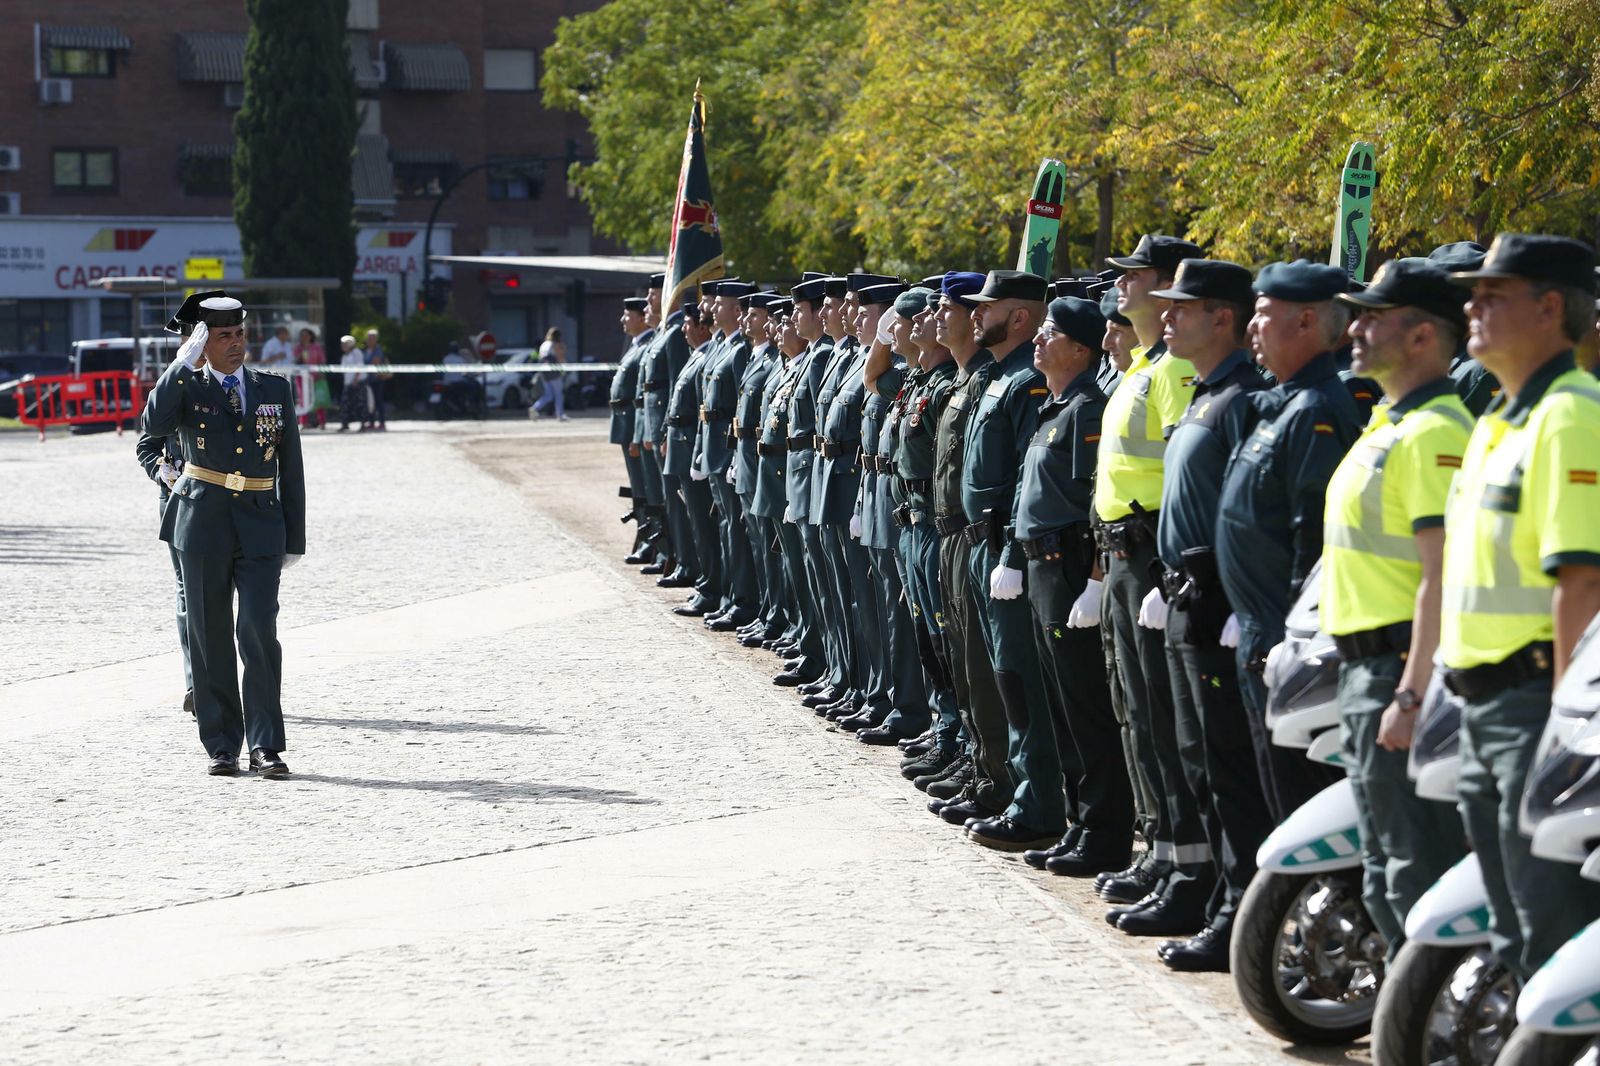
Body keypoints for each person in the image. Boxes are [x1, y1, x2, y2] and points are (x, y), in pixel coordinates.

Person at [1440, 233, 1600, 979]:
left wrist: (1566, 728)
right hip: (1481, 701)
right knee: (1510, 929)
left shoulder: (1572, 415)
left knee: (1548, 929)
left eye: (1492, 295)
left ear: (1548, 308)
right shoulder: (1499, 420)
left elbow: (1584, 582)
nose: (1472, 308)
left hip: (1537, 702)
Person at [1324, 257, 1475, 958]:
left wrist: (1412, 694)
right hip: (1366, 667)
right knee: (1385, 869)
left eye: (1373, 318)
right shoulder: (1390, 422)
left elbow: (1441, 573)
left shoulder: (1434, 432)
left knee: (1414, 869)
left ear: (1421, 336)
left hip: (1396, 669)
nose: (1356, 329)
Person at [1144, 258, 1270, 971]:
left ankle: (1239, 918)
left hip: (1220, 604)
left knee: (1229, 770)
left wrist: (1235, 597)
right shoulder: (1205, 394)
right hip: (1185, 597)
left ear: (1223, 318)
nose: (1166, 317)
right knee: (1199, 762)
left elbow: (1252, 512)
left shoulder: (1245, 398)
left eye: (1181, 307)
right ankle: (1221, 899)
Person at [1215, 260, 1364, 824]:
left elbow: (1313, 531)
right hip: (1259, 627)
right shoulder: (1284, 400)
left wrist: (1295, 638)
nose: (1252, 326)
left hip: (1283, 634)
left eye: (1263, 314)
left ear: (1305, 322)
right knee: (1269, 787)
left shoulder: (1316, 408)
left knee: (1295, 797)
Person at [138, 289, 305, 778]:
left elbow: (291, 464)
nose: (235, 343)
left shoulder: (273, 388)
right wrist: (181, 365)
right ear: (202, 342)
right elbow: (152, 425)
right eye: (223, 336)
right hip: (202, 522)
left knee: (258, 631)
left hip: (260, 523)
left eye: (239, 333)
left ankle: (266, 745)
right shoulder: (186, 386)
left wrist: (294, 536)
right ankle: (222, 744)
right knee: (209, 637)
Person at [1094, 234, 1210, 933]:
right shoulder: (1142, 367)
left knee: (1166, 721)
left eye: (1134, 275)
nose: (1122, 286)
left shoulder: (1173, 371)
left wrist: (1168, 574)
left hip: (1152, 555)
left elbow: (1183, 478)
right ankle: (1163, 852)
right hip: (1121, 553)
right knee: (1138, 713)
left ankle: (1189, 866)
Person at [1011, 294, 1133, 875]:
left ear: (1081, 349)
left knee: (1085, 708)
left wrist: (1095, 580)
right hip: (1041, 566)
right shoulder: (1054, 408)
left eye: (1050, 333)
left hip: (1070, 567)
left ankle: (1104, 835)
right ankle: (1078, 823)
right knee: (1060, 706)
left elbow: (1097, 503)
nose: (1038, 339)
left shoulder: (1088, 409)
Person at [134, 418, 194, 719]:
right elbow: (147, 445)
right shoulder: (173, 393)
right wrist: (160, 471)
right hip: (179, 501)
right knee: (188, 593)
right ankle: (197, 683)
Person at [612, 296, 657, 565]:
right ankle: (645, 537)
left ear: (641, 318)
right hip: (627, 422)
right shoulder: (637, 345)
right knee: (639, 486)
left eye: (628, 315)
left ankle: (650, 540)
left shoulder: (646, 345)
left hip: (635, 423)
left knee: (645, 487)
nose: (623, 320)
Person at [293, 327, 329, 429]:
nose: (304, 337)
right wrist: (300, 355)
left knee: (318, 399)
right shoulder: (298, 348)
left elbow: (322, 360)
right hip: (301, 377)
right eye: (302, 335)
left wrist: (321, 373)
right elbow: (294, 361)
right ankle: (304, 422)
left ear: (310, 336)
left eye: (306, 335)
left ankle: (322, 422)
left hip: (315, 376)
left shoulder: (316, 347)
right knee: (303, 399)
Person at [533, 327, 570, 421]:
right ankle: (560, 415)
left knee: (549, 395)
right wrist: (565, 368)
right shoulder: (554, 344)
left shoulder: (544, 344)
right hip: (553, 371)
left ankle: (534, 408)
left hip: (543, 371)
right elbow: (559, 357)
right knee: (558, 394)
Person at [337, 333, 370, 431]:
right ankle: (345, 423)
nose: (342, 346)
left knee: (361, 403)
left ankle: (363, 424)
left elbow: (359, 366)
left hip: (358, 382)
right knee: (345, 403)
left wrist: (356, 379)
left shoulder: (356, 352)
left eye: (344, 344)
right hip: (348, 383)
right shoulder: (344, 356)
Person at [363, 328, 389, 430]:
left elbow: (375, 362)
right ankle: (371, 422)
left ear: (376, 339)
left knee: (378, 401)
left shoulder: (378, 350)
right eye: (369, 338)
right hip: (368, 379)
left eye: (372, 338)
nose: (370, 340)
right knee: (370, 401)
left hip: (377, 379)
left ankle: (382, 422)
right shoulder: (367, 350)